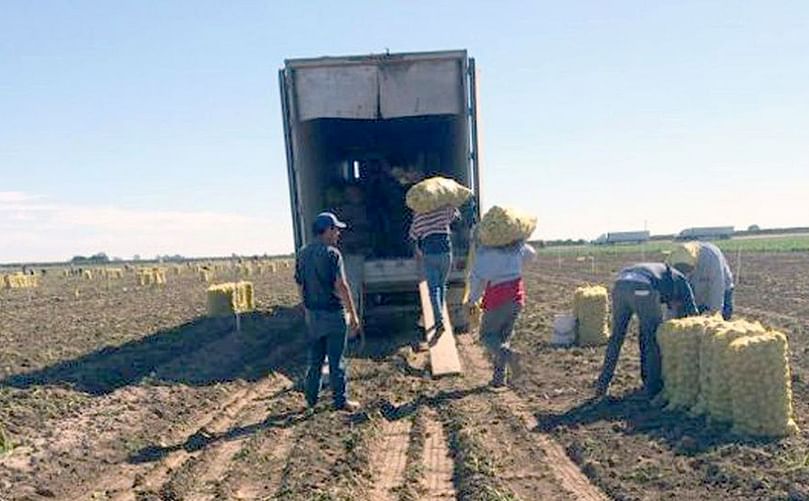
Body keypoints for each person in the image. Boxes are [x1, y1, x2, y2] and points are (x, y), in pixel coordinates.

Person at [595, 263, 699, 399]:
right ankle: (653, 387)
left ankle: (602, 384)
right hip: (641, 288)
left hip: (620, 285)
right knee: (653, 338)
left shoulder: (661, 272)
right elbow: (693, 313)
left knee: (616, 337)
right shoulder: (682, 280)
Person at [295, 212, 361, 412]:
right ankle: (340, 401)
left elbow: (299, 283)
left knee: (315, 359)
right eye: (336, 229)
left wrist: (306, 307)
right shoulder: (333, 254)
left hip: (314, 315)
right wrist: (354, 315)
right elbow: (341, 285)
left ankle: (311, 399)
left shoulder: (303, 253)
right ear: (327, 231)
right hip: (333, 313)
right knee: (336, 360)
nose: (338, 233)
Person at [466, 240, 536, 388]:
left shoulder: (485, 253)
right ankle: (499, 378)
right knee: (503, 339)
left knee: (487, 336)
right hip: (517, 298)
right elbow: (531, 254)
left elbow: (476, 279)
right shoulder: (516, 247)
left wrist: (472, 300)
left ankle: (510, 355)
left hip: (498, 298)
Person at [409, 204, 460, 336]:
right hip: (446, 253)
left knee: (433, 289)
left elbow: (412, 236)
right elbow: (457, 217)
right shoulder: (444, 210)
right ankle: (440, 316)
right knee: (442, 285)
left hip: (429, 253)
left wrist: (417, 251)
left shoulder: (419, 216)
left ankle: (439, 320)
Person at [668, 242, 734, 320]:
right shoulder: (671, 261)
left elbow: (717, 289)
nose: (685, 273)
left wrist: (715, 316)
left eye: (687, 270)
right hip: (695, 288)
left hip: (720, 287)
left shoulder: (711, 258)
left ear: (694, 262)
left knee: (723, 317)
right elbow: (671, 294)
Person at [334, 184, 372, 319]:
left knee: (351, 290)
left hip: (354, 253)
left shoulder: (360, 211)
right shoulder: (346, 210)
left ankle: (351, 325)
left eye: (353, 193)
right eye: (349, 193)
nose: (352, 195)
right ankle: (351, 324)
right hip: (348, 253)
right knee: (348, 290)